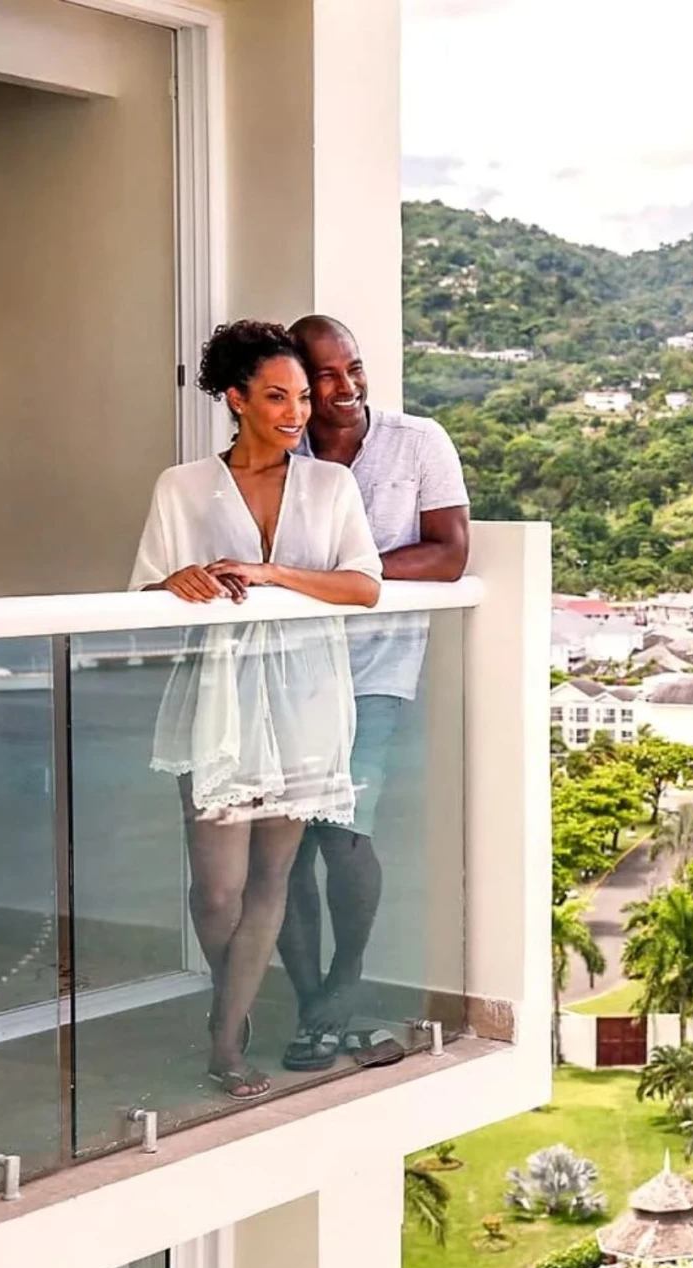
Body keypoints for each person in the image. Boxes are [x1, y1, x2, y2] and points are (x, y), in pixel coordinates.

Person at [131, 320, 383, 1100]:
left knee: (273, 877)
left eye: (303, 397)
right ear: (235, 398)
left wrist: (269, 573)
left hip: (307, 691)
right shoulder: (181, 486)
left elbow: (363, 583)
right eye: (277, 396)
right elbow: (142, 589)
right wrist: (177, 582)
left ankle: (223, 1038)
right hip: (218, 697)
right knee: (217, 888)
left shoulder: (329, 486)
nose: (297, 412)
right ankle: (231, 1009)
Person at [276, 315, 470, 1072]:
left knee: (344, 831)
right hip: (287, 670)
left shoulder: (419, 440)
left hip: (378, 668)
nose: (346, 387)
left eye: (353, 367)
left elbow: (451, 554)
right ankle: (315, 1010)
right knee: (284, 845)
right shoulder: (276, 450)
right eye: (325, 375)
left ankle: (344, 986)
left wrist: (350, 577)